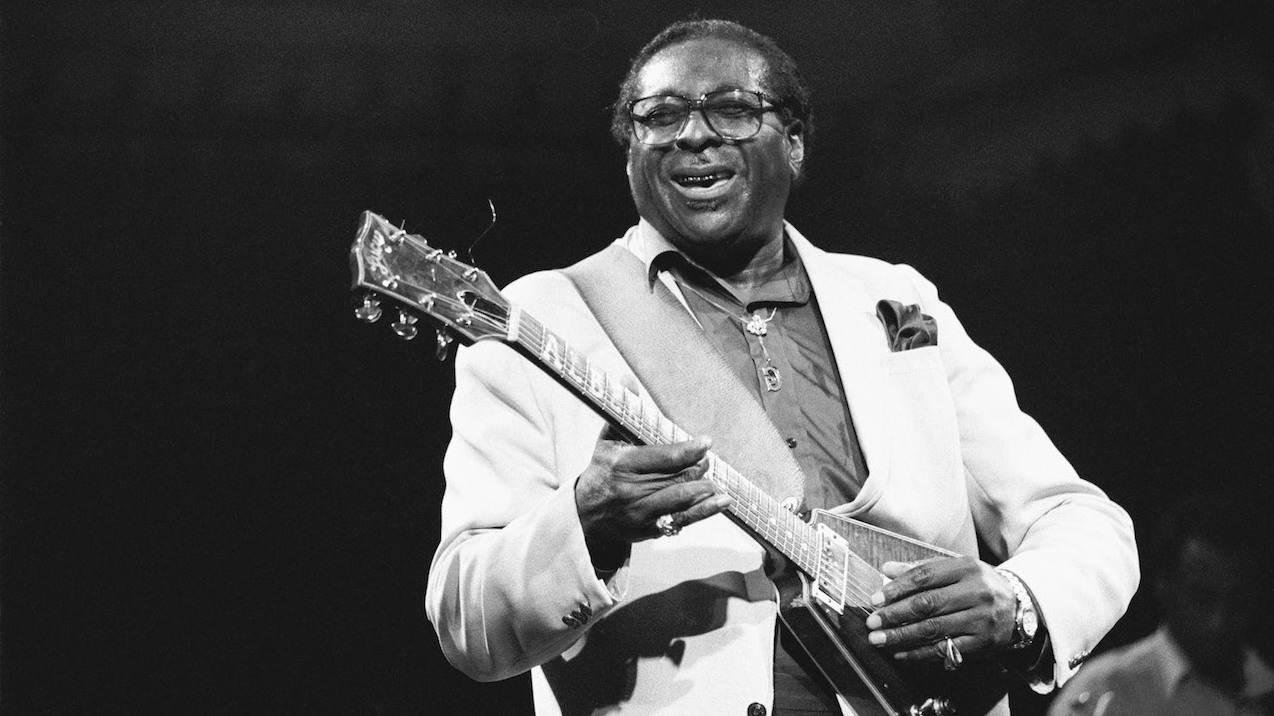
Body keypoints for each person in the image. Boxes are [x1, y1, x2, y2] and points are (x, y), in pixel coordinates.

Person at [425, 18, 1139, 716]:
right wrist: (587, 522)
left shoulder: (895, 300)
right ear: (631, 150)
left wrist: (1016, 604)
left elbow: (1081, 520)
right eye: (659, 115)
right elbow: (466, 617)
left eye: (733, 110)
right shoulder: (542, 319)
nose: (694, 134)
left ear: (794, 142)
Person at [1048, 496, 1273, 716]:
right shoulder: (1103, 691)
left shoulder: (1266, 681)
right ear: (1165, 586)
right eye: (1202, 598)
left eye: (1237, 599)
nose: (1219, 621)